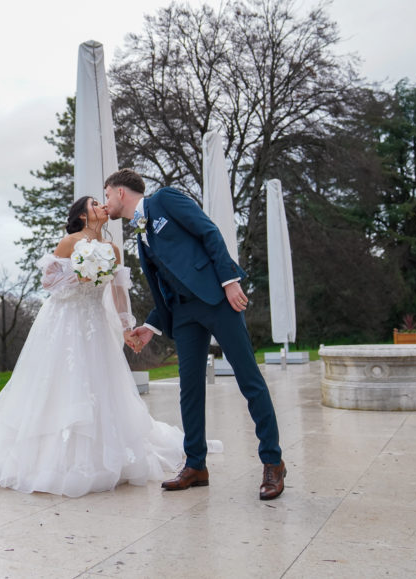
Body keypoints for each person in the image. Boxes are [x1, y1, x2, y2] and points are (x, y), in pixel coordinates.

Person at [0, 196, 184, 497]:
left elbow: (119, 292)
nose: (101, 206)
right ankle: (50, 459)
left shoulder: (113, 250)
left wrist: (127, 327)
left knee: (100, 385)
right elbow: (49, 284)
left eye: (102, 202)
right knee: (62, 384)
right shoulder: (69, 242)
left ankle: (104, 455)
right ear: (83, 216)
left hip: (96, 323)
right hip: (64, 322)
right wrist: (79, 274)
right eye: (94, 204)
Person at [103, 169, 287, 500]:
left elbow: (209, 232)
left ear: (119, 193)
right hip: (184, 314)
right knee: (189, 390)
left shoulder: (165, 199)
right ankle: (196, 465)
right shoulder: (141, 236)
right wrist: (152, 325)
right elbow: (167, 282)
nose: (105, 203)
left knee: (249, 380)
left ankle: (273, 462)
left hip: (217, 300)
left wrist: (230, 281)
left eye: (106, 195)